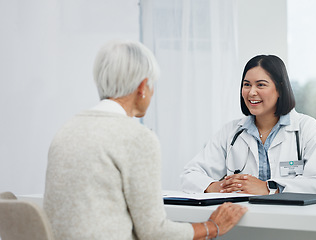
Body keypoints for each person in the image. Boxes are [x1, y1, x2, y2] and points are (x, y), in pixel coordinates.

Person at [43, 40, 247, 240]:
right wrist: (212, 227)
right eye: (152, 86)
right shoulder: (137, 137)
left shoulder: (66, 130)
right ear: (142, 87)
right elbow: (154, 232)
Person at [180, 55, 316, 195]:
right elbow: (190, 175)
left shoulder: (306, 128)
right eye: (247, 85)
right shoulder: (231, 132)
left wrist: (269, 188)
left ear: (279, 88)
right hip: (243, 220)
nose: (251, 92)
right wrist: (215, 186)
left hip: (292, 220)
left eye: (261, 85)